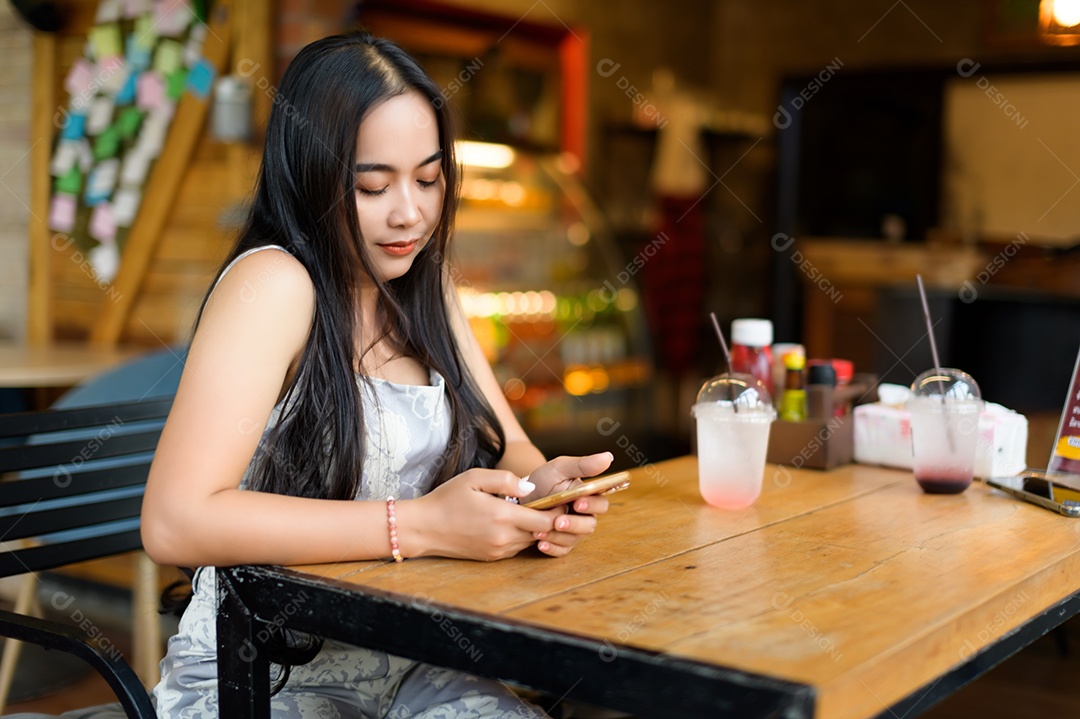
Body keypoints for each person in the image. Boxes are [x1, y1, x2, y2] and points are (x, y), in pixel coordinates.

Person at [141, 31, 613, 718]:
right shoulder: (275, 287)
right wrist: (416, 525)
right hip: (264, 674)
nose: (410, 213)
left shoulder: (427, 289)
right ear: (311, 175)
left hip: (408, 659)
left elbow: (509, 442)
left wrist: (538, 491)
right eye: (372, 185)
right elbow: (174, 520)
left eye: (427, 179)